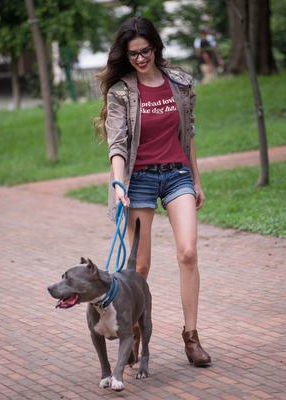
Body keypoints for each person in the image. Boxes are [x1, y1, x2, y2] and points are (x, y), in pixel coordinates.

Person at [94, 17, 211, 367]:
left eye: (145, 51)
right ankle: (132, 331)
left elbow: (187, 136)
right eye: (132, 55)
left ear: (156, 48)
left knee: (188, 253)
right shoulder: (121, 92)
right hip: (139, 180)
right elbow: (117, 144)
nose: (140, 59)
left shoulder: (179, 84)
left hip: (177, 175)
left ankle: (191, 336)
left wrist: (197, 180)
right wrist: (119, 184)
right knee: (139, 266)